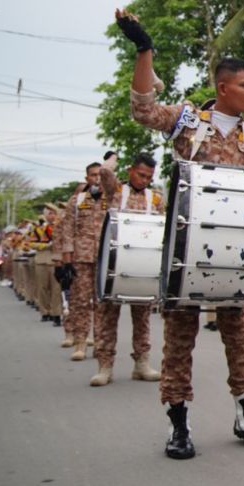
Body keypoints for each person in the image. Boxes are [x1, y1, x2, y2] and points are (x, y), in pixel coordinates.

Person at [116, 7, 244, 460]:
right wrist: (145, 50)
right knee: (180, 339)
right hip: (187, 251)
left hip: (237, 255)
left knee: (240, 336)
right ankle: (179, 424)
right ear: (222, 87)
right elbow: (143, 110)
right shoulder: (188, 121)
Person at [87, 152, 165, 387]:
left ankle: (141, 364)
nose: (144, 180)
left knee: (142, 318)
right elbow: (105, 172)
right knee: (106, 318)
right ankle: (105, 367)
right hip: (114, 264)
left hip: (143, 266)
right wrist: (113, 158)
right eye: (141, 175)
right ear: (131, 171)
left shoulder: (156, 199)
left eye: (149, 177)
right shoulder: (116, 192)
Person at [57, 163, 112, 361]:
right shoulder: (77, 200)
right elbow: (67, 230)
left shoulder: (111, 199)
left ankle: (100, 344)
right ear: (87, 178)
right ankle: (80, 342)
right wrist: (66, 261)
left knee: (102, 304)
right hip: (82, 258)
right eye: (93, 175)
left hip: (104, 257)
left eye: (99, 175)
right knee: (80, 302)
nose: (97, 178)